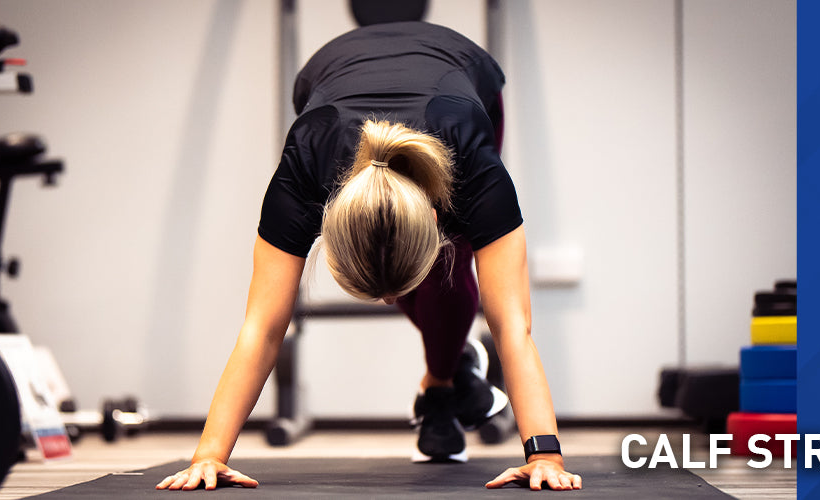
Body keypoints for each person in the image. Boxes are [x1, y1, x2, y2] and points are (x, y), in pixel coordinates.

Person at [156, 21, 581, 492]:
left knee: (454, 267)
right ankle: (449, 374)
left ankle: (439, 386)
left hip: (462, 70)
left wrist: (545, 453)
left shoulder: (473, 169)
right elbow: (263, 326)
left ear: (437, 220)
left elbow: (511, 324)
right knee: (400, 264)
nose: (388, 304)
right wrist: (210, 455)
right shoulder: (305, 166)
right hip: (328, 72)